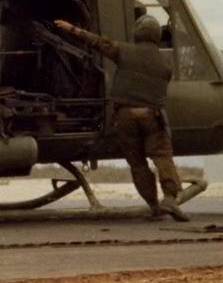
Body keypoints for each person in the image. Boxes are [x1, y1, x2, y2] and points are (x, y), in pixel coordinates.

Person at [51, 14, 188, 220]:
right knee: (162, 156)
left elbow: (98, 43)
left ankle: (153, 205)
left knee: (137, 163)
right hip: (152, 115)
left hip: (125, 115)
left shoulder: (124, 51)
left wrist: (72, 29)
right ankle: (170, 198)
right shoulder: (165, 63)